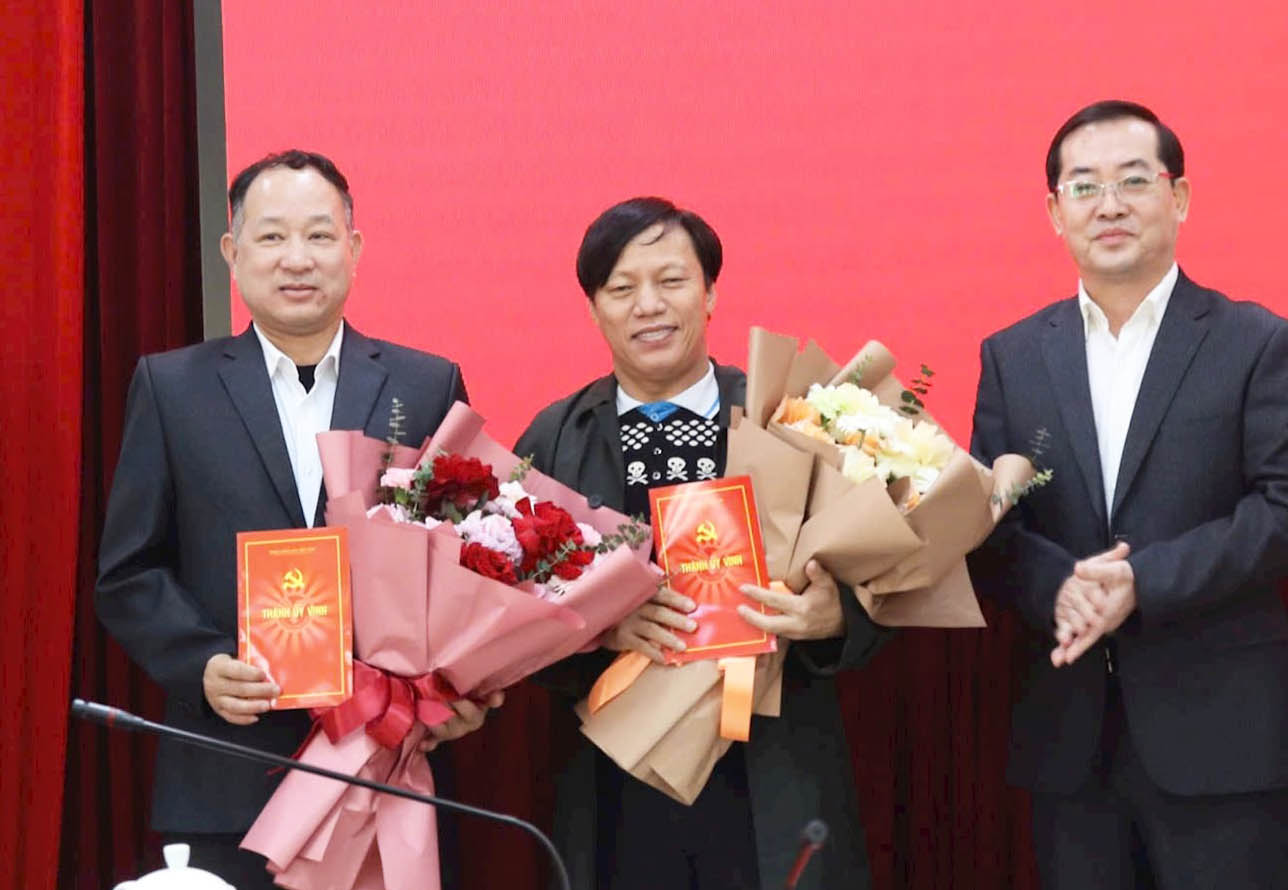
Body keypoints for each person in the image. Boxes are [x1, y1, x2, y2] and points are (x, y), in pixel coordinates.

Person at [95, 149, 497, 890]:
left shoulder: (423, 381)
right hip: (228, 767)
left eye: (318, 235)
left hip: (387, 765)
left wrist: (462, 688)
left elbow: (469, 562)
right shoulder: (172, 385)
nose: (297, 259)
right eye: (272, 236)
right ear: (233, 252)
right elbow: (130, 570)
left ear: (354, 248)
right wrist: (203, 664)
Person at [968, 100, 1288, 889]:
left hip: (1223, 734)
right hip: (1068, 737)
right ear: (1053, 210)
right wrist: (1061, 587)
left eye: (1134, 181)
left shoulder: (1254, 342)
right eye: (1084, 186)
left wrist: (1141, 582)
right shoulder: (1013, 356)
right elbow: (988, 529)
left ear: (1179, 198)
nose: (1109, 205)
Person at [514, 197, 889, 890]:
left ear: (711, 292)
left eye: (671, 281)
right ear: (594, 308)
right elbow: (510, 619)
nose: (647, 305)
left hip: (772, 767)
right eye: (621, 289)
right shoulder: (554, 438)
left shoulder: (791, 414)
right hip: (617, 779)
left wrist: (836, 615)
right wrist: (599, 627)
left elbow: (891, 574)